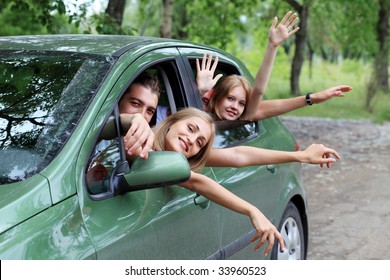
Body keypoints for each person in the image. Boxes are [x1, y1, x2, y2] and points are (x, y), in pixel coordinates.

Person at [125, 107, 340, 255]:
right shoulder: (142, 140)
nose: (191, 139)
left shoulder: (178, 157)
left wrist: (300, 156)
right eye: (190, 128)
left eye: (200, 142)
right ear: (171, 122)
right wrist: (134, 119)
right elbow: (198, 183)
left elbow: (238, 156)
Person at [196, 13, 352, 121]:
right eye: (230, 98)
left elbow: (258, 92)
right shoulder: (199, 114)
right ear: (217, 97)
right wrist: (199, 92)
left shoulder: (243, 118)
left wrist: (272, 47)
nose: (234, 107)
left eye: (242, 103)